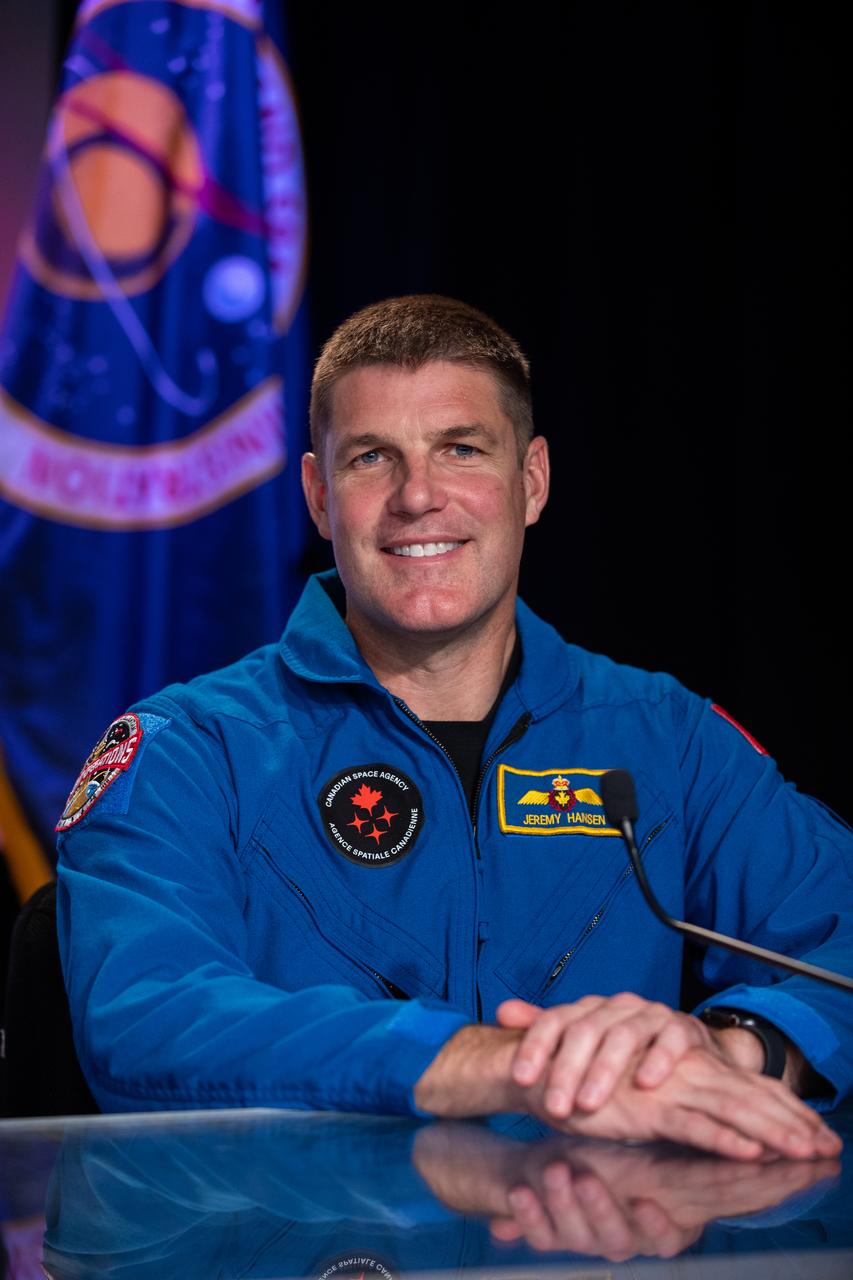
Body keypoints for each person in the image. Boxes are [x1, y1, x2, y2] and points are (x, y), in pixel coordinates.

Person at [56, 295, 850, 1159]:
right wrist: (502, 1067)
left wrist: (730, 1051)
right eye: (371, 459)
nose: (418, 496)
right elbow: (146, 1018)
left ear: (531, 482)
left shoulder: (668, 741)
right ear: (320, 497)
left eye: (461, 449)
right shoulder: (189, 751)